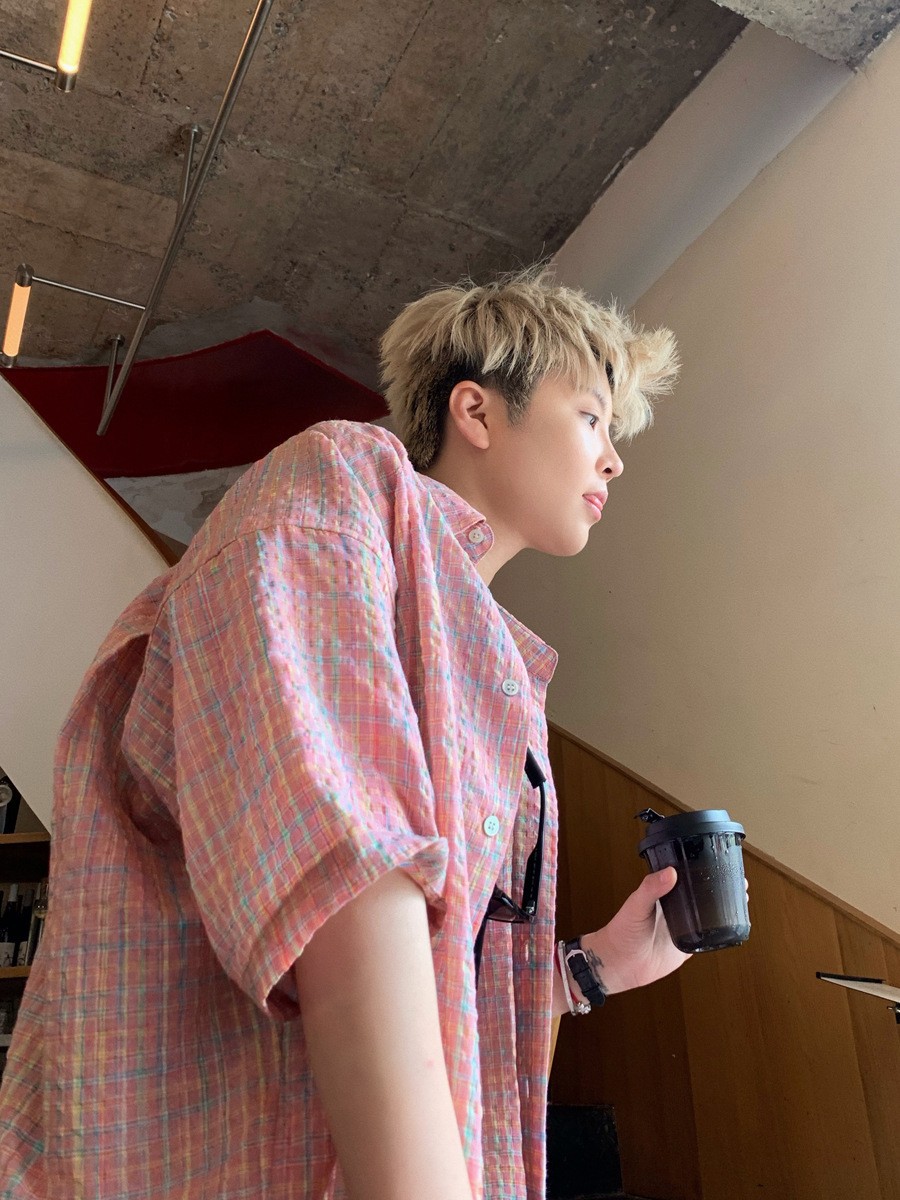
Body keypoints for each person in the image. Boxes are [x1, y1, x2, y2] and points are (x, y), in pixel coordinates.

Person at [0, 268, 686, 1200]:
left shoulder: (500, 675)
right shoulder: (344, 481)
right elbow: (343, 862)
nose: (612, 461)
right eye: (592, 418)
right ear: (477, 412)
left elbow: (451, 988)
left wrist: (589, 971)